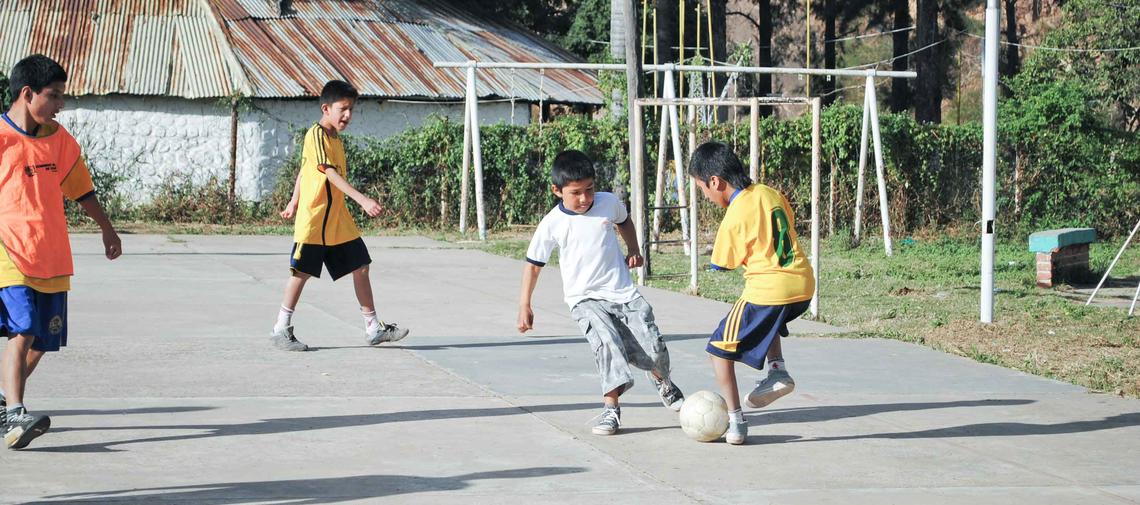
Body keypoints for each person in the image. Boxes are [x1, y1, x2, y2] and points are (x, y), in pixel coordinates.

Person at [0, 54, 123, 449]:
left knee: (42, 343)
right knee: (23, 327)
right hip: (9, 251)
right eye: (53, 96)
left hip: (51, 254)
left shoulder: (60, 140)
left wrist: (107, 229)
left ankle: (5, 404)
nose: (60, 104)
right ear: (27, 93)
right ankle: (15, 414)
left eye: (61, 96)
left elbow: (81, 189)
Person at [517, 150, 684, 436]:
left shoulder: (608, 203)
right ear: (557, 191)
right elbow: (533, 266)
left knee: (653, 346)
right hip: (584, 299)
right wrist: (525, 304)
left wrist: (634, 248)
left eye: (589, 190)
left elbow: (624, 221)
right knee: (607, 343)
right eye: (576, 193)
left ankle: (661, 378)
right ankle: (611, 409)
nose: (584, 199)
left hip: (622, 292)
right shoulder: (551, 224)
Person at [688, 141, 814, 445]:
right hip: (803, 284)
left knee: (717, 350)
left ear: (715, 181)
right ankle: (776, 370)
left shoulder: (735, 214)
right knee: (768, 319)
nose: (705, 195)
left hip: (770, 288)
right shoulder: (770, 193)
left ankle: (736, 422)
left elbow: (722, 264)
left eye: (703, 189)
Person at [272, 80, 407, 351]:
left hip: (337, 219)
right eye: (343, 108)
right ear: (326, 108)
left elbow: (303, 169)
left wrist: (292, 199)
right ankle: (280, 328)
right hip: (315, 219)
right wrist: (362, 199)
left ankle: (372, 328)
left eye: (351, 109)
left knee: (361, 265)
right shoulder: (317, 135)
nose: (348, 115)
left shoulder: (336, 139)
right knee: (302, 273)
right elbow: (327, 173)